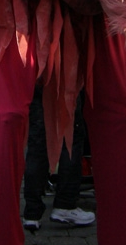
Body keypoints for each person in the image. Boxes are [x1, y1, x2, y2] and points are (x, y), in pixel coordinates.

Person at [22, 84, 95, 231]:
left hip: (37, 77)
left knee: (38, 141)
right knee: (71, 137)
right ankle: (65, 203)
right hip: (64, 75)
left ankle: (32, 212)